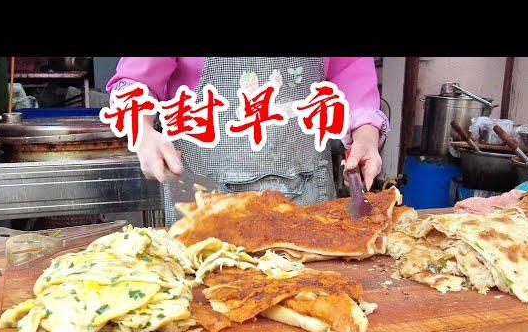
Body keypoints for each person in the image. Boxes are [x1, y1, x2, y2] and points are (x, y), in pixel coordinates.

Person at [107, 57, 389, 225]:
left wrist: (366, 133)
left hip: (305, 197)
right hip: (203, 201)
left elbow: (350, 69)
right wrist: (142, 131)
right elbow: (135, 81)